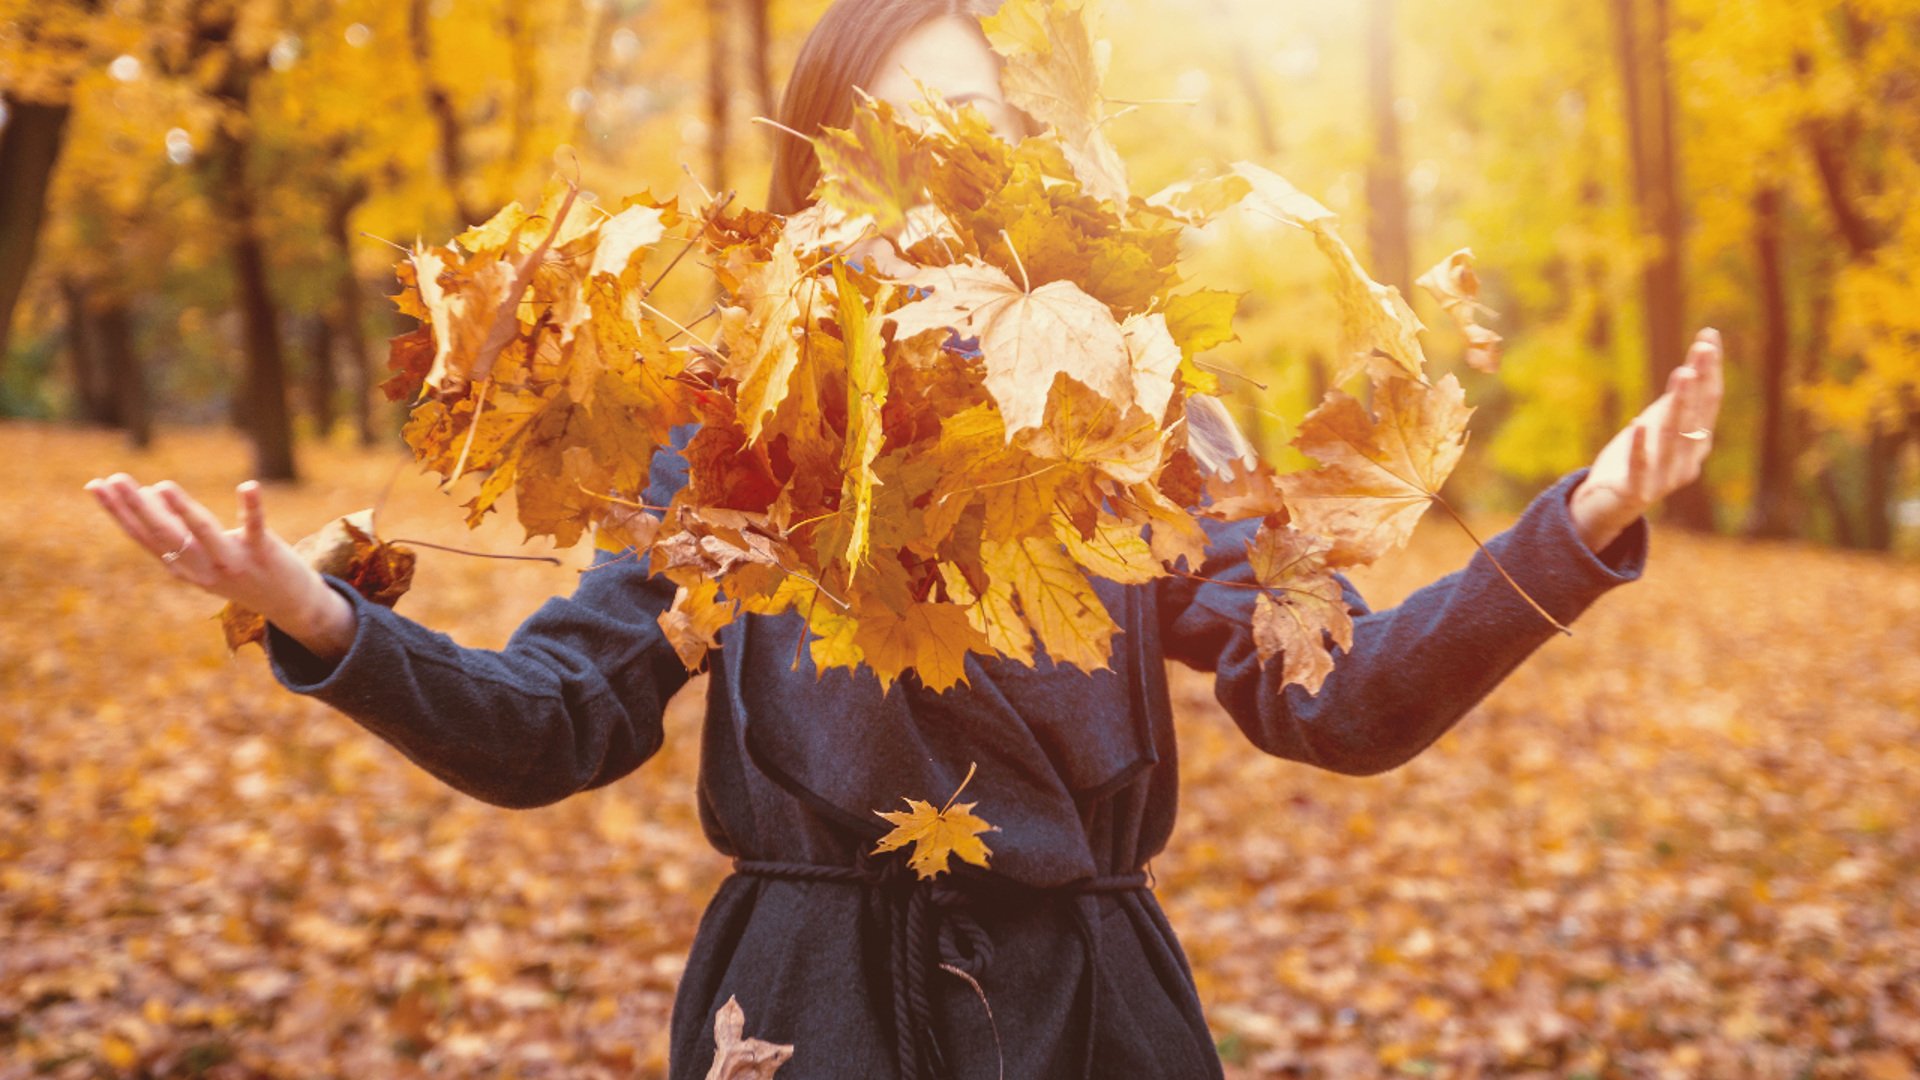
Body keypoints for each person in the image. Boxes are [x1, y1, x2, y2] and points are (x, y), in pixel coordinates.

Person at [81, 1, 1726, 1076]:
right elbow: (552, 727)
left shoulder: (1145, 426)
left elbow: (1337, 700)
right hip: (806, 1014)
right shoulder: (721, 432)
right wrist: (317, 613)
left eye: (989, 129)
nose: (948, 175)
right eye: (900, 135)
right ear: (818, 168)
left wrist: (1573, 531)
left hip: (1092, 1018)